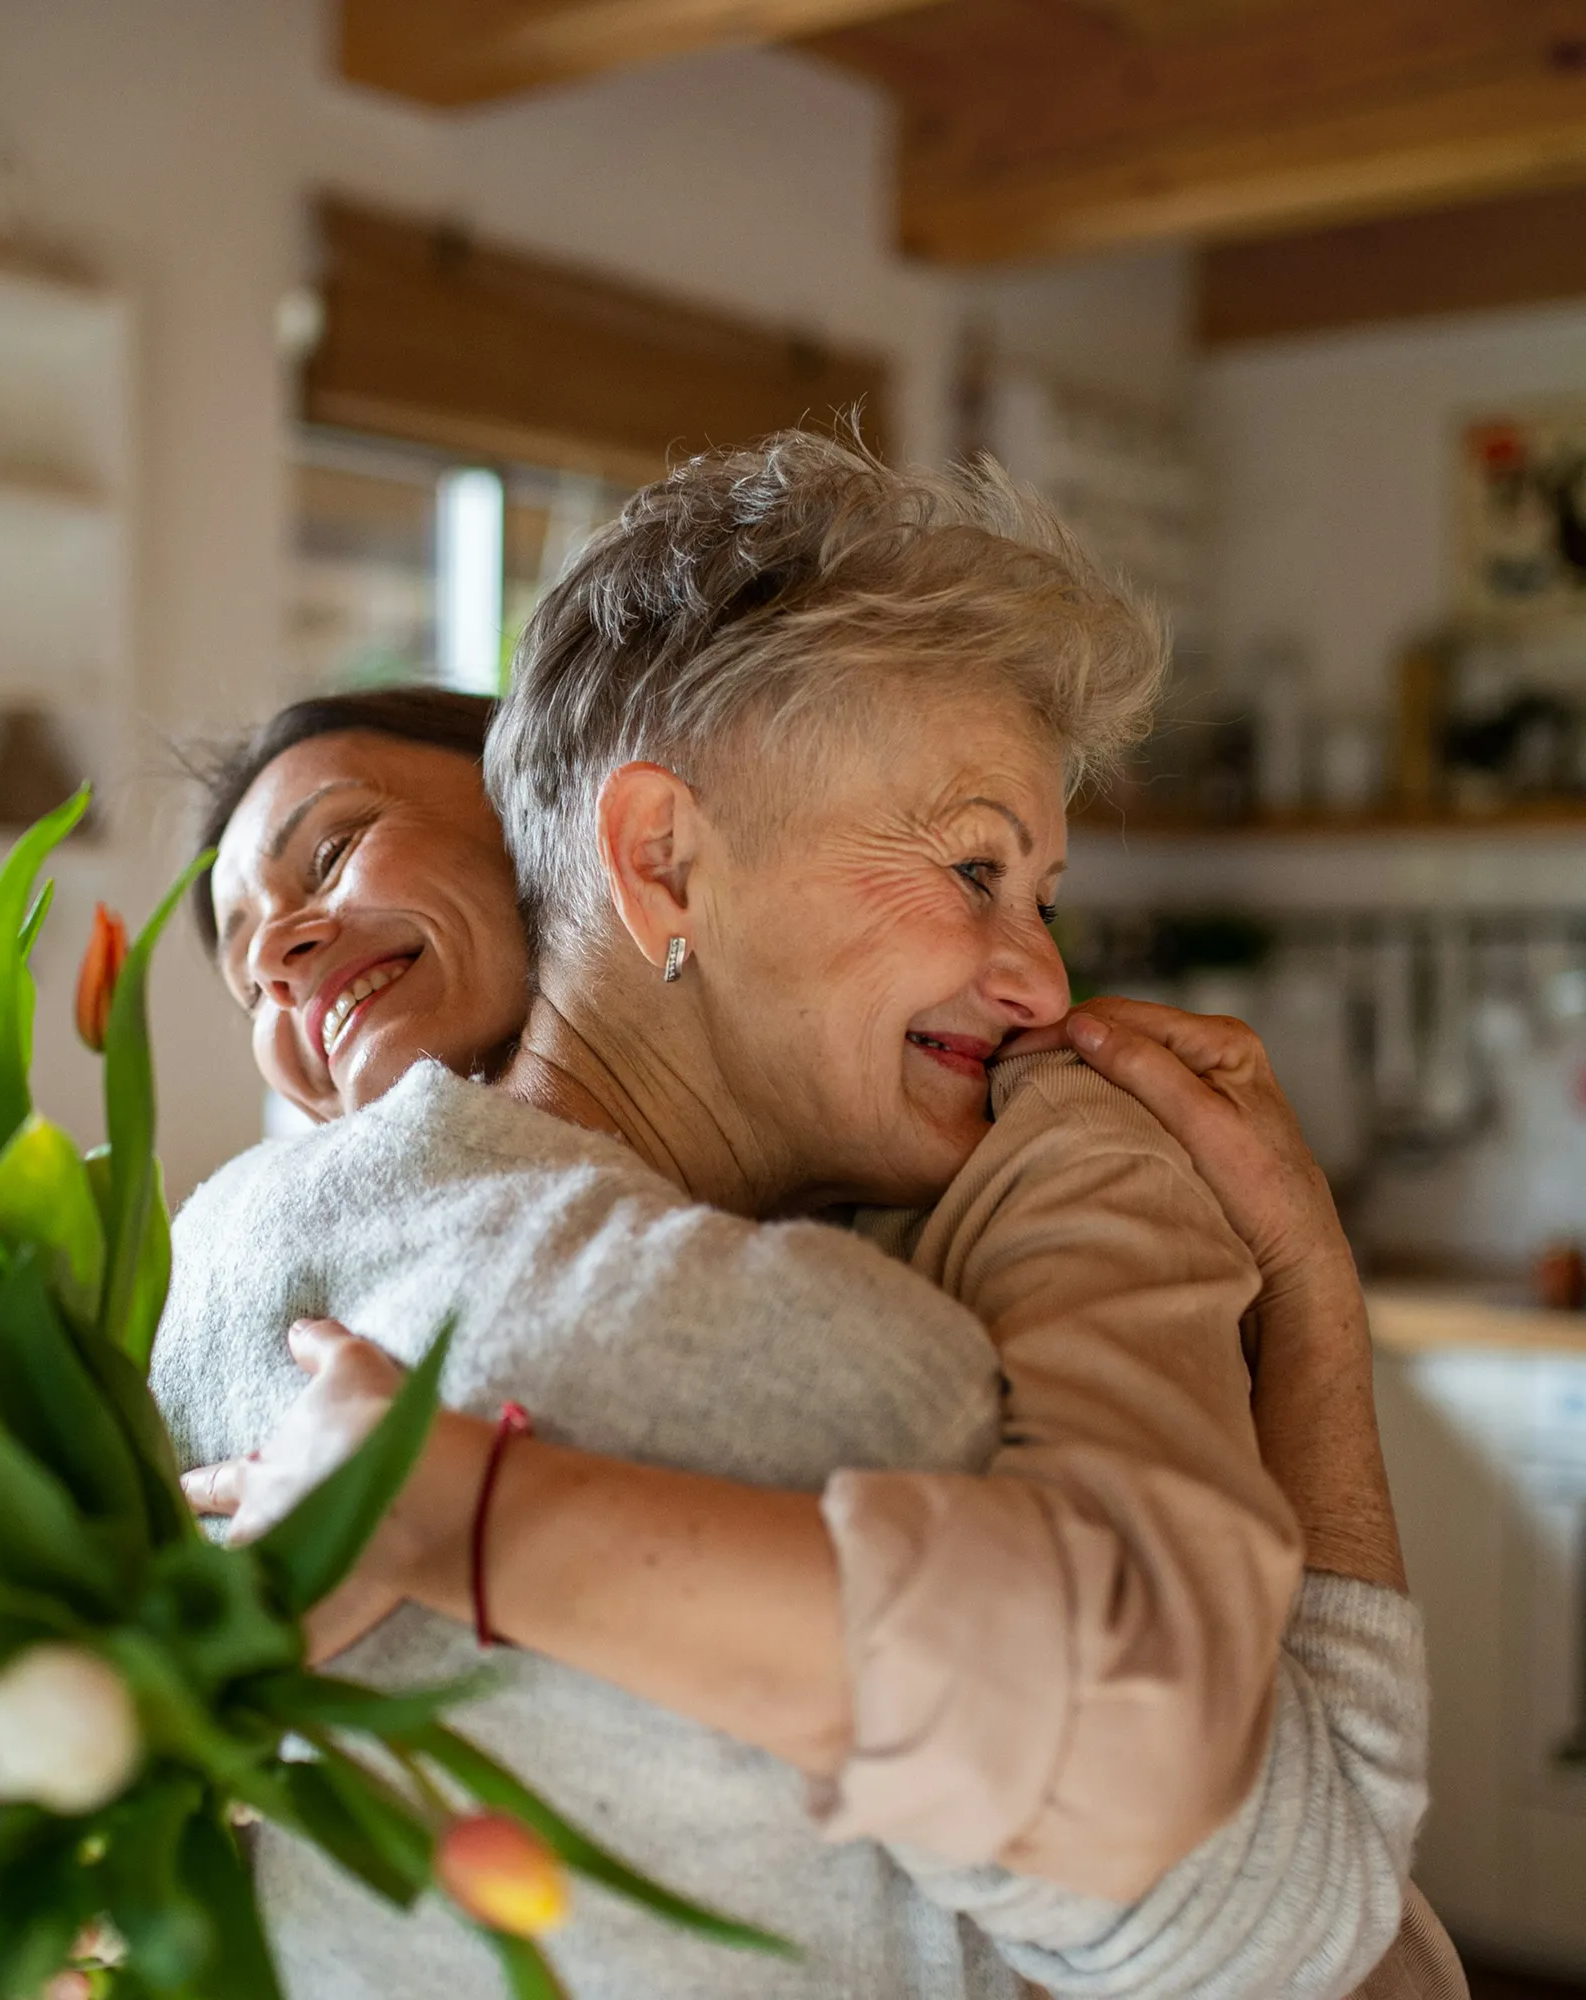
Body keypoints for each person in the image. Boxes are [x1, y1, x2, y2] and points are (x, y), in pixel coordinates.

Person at [152, 436, 1437, 1998]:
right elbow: (1318, 1927)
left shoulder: (216, 1261)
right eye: (969, 865)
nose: (1044, 979)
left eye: (1040, 894)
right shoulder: (807, 1362)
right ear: (659, 862)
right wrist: (1293, 1295)